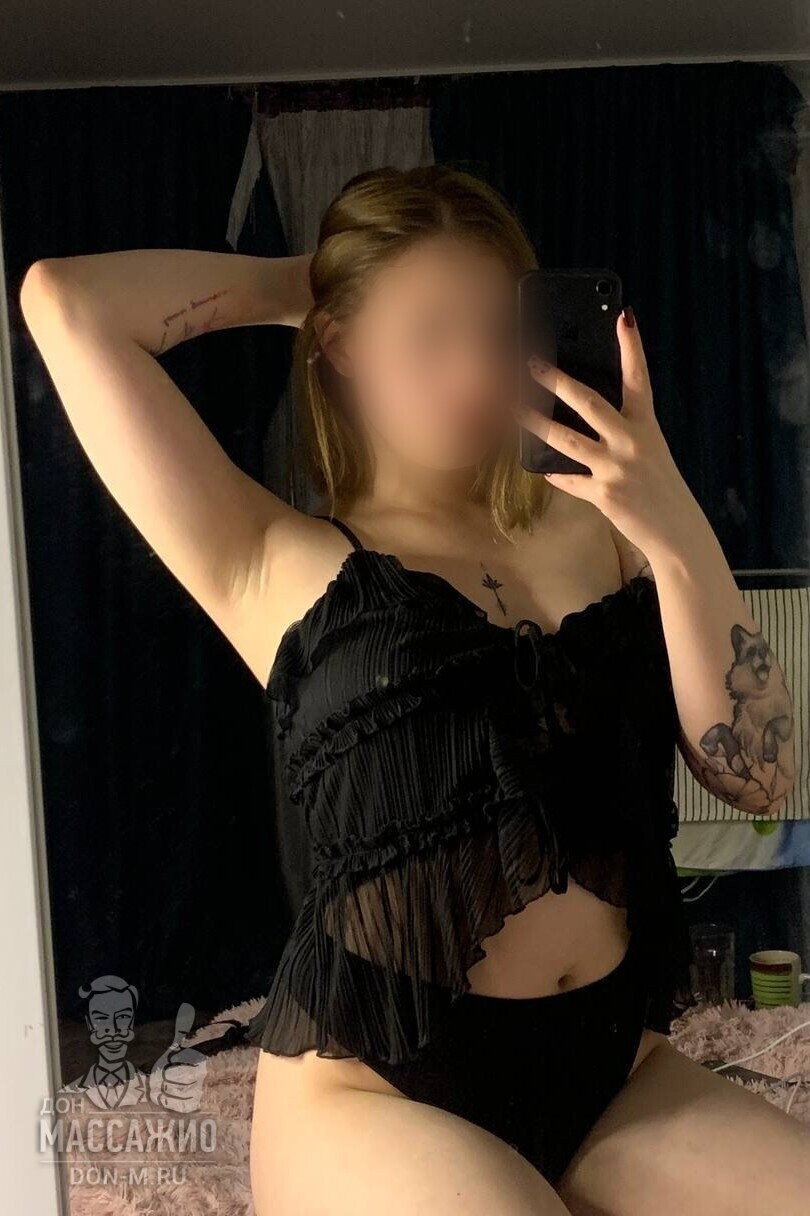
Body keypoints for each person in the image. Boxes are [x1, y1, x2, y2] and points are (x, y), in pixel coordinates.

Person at [21, 165, 806, 1215]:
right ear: (340, 345)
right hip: (377, 1088)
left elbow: (762, 779)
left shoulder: (608, 524)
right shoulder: (274, 558)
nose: (474, 369)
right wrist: (315, 283)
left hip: (617, 1073)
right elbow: (66, 304)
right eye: (428, 334)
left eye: (497, 329)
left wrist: (668, 514)